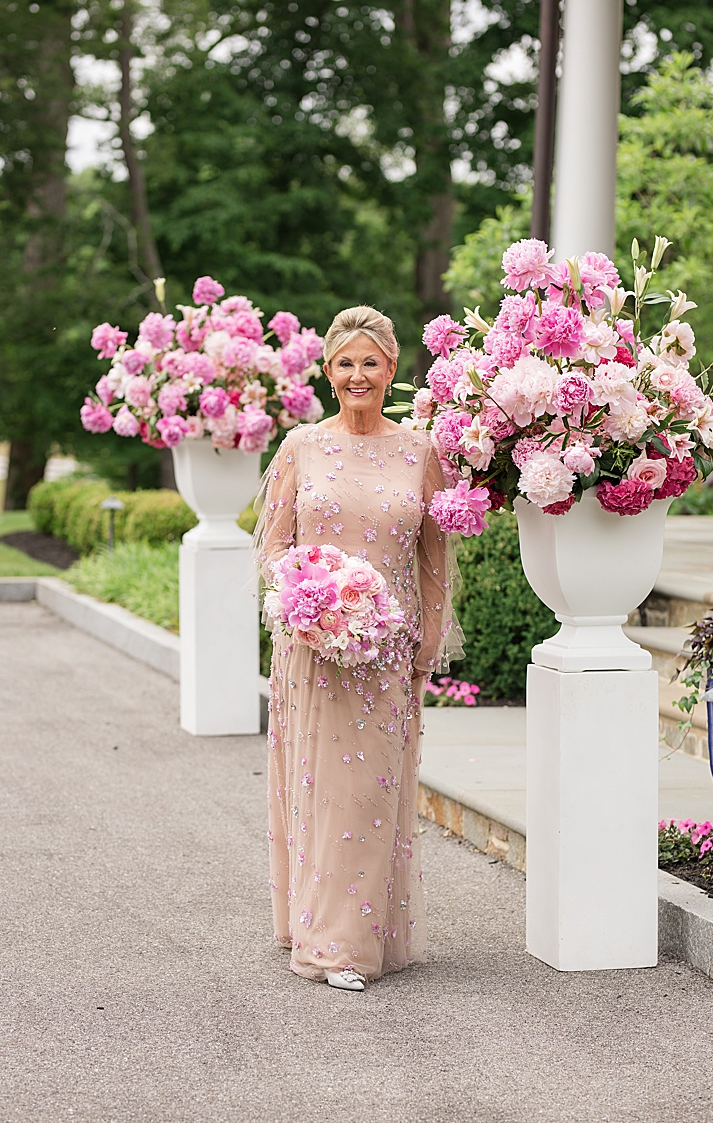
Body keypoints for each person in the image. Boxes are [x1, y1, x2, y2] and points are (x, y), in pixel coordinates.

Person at [254, 305, 462, 991]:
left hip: (388, 651)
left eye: (370, 362)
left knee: (370, 792)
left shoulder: (420, 452)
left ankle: (355, 928)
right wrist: (306, 601)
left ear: (392, 369)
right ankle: (325, 943)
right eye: (345, 363)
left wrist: (427, 636)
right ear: (327, 371)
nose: (357, 374)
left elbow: (435, 556)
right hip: (314, 652)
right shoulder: (301, 447)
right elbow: (275, 545)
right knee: (319, 788)